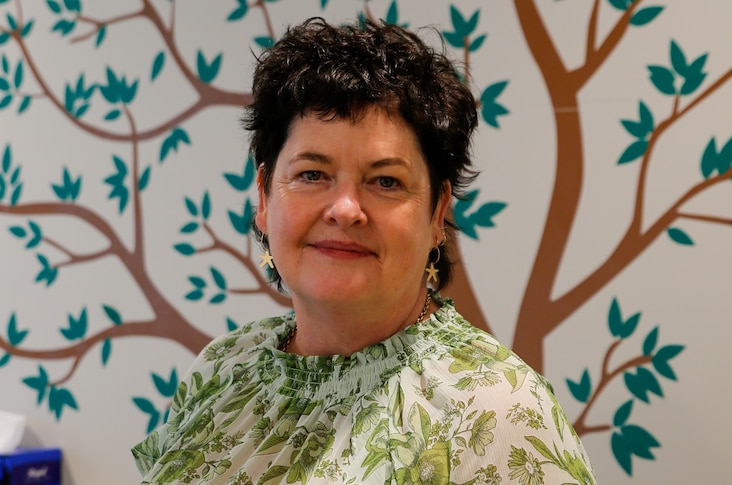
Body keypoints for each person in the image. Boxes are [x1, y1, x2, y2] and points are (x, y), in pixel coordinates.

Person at [132, 17, 596, 485]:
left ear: (437, 213)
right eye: (312, 174)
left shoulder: (496, 411)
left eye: (386, 181)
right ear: (264, 196)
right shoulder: (224, 366)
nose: (345, 209)